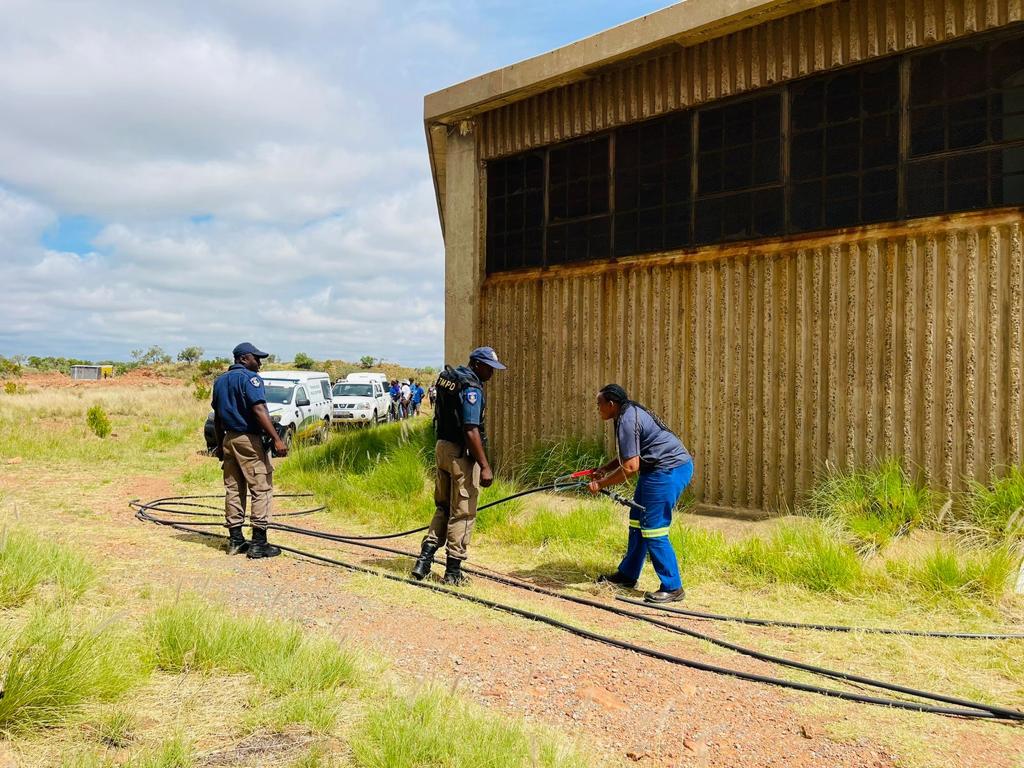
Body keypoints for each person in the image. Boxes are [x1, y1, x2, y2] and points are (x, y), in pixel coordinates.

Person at [587, 384, 694, 603]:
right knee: (637, 522)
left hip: (668, 470)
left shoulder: (627, 419)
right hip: (655, 470)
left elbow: (630, 467)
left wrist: (601, 484)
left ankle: (673, 587)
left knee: (654, 528)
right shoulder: (626, 413)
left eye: (599, 404)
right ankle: (627, 575)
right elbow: (630, 454)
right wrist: (605, 469)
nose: (597, 408)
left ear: (611, 404)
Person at [411, 346, 506, 585]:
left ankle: (424, 561)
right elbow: (470, 429)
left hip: (441, 447)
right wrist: (484, 465)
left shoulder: (450, 379)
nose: (491, 373)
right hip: (459, 454)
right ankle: (453, 572)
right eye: (488, 368)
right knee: (463, 512)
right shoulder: (471, 387)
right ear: (476, 364)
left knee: (443, 507)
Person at [211, 342, 289, 559]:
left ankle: (235, 540)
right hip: (248, 440)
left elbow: (217, 418)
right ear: (244, 359)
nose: (260, 362)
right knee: (260, 488)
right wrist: (276, 439)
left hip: (229, 439)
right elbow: (258, 409)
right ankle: (258, 543)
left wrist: (219, 445)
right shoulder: (250, 379)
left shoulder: (220, 381)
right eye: (257, 358)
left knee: (234, 489)